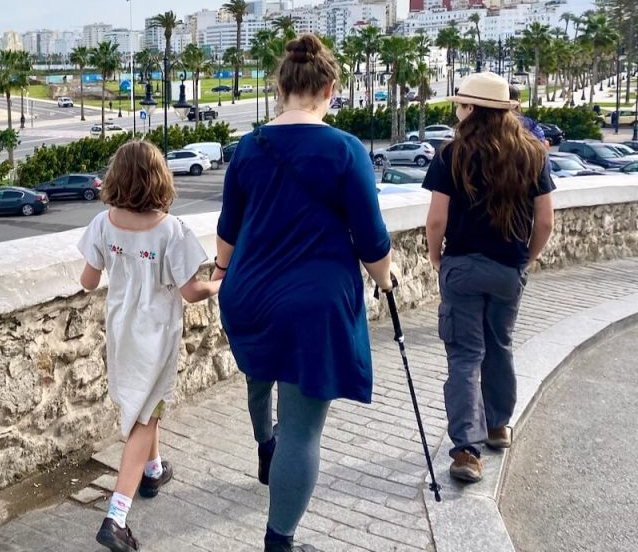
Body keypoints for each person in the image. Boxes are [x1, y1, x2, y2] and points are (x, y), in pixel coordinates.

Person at [214, 34, 393, 552]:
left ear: (281, 87)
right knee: (302, 430)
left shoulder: (248, 148)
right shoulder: (345, 150)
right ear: (330, 89)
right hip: (313, 307)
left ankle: (263, 446)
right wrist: (385, 279)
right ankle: (280, 542)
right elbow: (372, 241)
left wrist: (223, 272)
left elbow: (228, 231)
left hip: (249, 294)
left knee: (259, 375)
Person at [78, 140, 222, 552]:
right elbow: (191, 292)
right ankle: (116, 516)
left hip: (121, 330)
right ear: (160, 179)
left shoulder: (103, 223)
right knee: (145, 416)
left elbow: (88, 281)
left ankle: (154, 471)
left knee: (144, 404)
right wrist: (219, 283)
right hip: (156, 335)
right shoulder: (172, 231)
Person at [422, 72, 555, 483]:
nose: (458, 113)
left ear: (471, 109)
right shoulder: (533, 154)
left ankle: (467, 451)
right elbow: (545, 222)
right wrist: (525, 259)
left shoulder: (452, 154)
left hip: (462, 266)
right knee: (499, 345)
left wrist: (436, 257)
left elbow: (436, 220)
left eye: (461, 106)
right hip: (506, 269)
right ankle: (498, 427)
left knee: (465, 356)